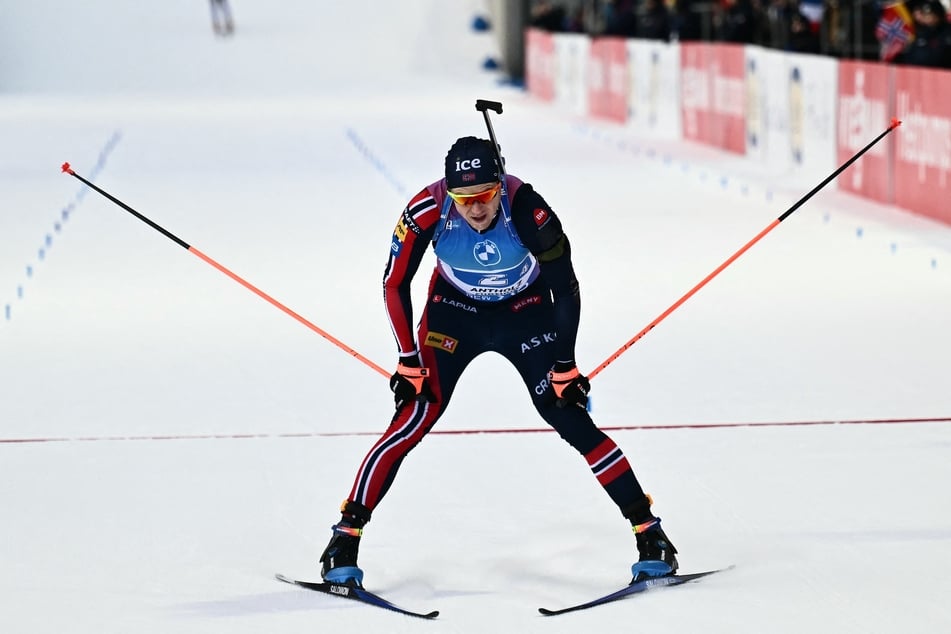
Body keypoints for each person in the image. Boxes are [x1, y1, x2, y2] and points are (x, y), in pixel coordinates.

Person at [318, 136, 679, 586]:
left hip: (524, 313)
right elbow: (394, 283)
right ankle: (344, 539)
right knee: (414, 414)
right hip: (454, 314)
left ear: (500, 186)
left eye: (485, 196)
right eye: (463, 199)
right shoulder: (426, 210)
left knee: (568, 415)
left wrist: (565, 365)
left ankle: (650, 534)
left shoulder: (529, 209)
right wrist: (407, 359)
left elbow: (565, 287)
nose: (475, 209)